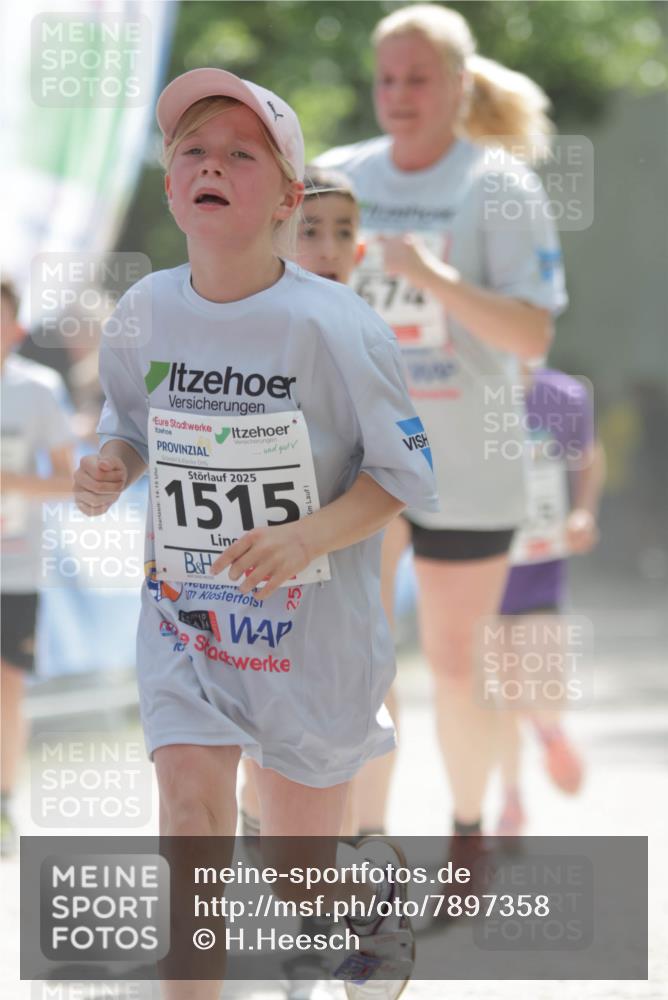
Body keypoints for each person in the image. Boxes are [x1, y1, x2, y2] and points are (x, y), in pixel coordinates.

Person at [73, 68, 437, 1000]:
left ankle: (371, 898)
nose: (211, 165)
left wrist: (309, 536)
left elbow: (403, 475)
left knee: (296, 873)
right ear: (169, 187)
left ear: (285, 197)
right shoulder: (146, 310)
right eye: (192, 150)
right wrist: (112, 460)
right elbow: (128, 425)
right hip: (187, 617)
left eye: (242, 154)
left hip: (307, 637)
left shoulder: (335, 324)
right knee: (191, 815)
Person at [316, 3, 568, 858]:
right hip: (364, 465)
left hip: (469, 460)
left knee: (459, 665)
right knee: (364, 659)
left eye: (417, 78)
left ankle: (467, 838)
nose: (398, 94)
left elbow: (532, 335)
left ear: (459, 84)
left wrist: (431, 275)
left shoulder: (497, 185)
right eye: (386, 78)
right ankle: (367, 850)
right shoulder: (338, 175)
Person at [496, 363, 605, 836]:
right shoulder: (463, 393)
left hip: (540, 563)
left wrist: (583, 512)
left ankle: (550, 731)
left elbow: (590, 456)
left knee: (539, 668)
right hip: (476, 566)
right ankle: (511, 797)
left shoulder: (565, 396)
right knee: (497, 688)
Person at [1, 279, 75, 856]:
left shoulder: (38, 390)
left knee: (7, 690)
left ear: (17, 328)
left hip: (15, 568)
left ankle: (3, 802)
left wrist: (14, 484)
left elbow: (69, 482)